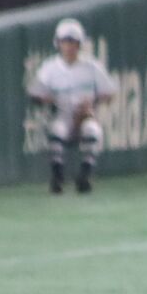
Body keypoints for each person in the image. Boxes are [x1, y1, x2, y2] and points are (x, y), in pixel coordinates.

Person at [25, 18, 116, 194]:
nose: (68, 46)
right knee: (57, 130)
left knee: (92, 130)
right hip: (61, 114)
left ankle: (85, 176)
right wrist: (47, 99)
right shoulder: (50, 67)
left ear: (79, 44)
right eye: (64, 41)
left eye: (72, 42)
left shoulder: (91, 67)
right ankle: (57, 177)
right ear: (58, 43)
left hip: (84, 115)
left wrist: (92, 101)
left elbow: (110, 92)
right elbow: (34, 93)